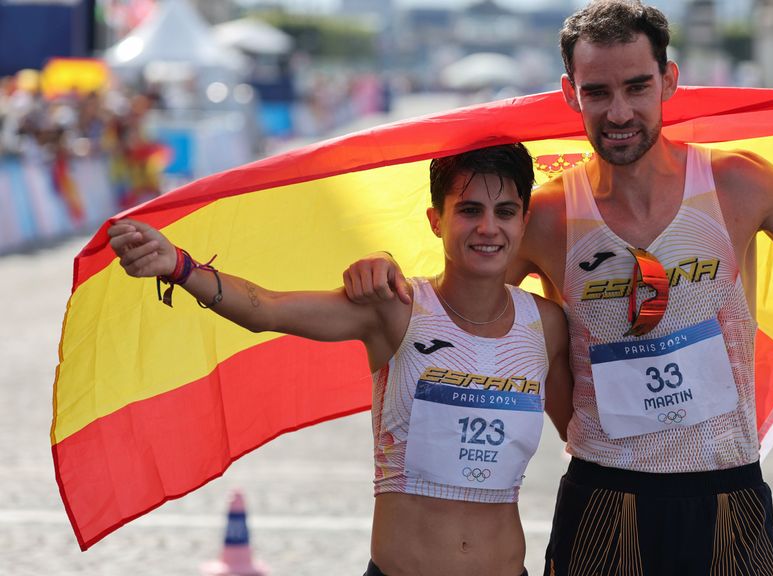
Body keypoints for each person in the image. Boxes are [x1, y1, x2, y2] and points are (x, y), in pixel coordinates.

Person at [342, 2, 773, 573]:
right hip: (605, 500)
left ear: (668, 81)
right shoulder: (550, 217)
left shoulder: (736, 186)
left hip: (727, 495)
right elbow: (450, 305)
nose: (619, 112)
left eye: (637, 86)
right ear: (569, 94)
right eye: (598, 92)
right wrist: (383, 269)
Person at [108, 143, 573, 576]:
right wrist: (181, 267)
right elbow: (265, 309)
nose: (488, 227)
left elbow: (586, 431)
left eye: (505, 212)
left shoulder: (547, 325)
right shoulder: (395, 308)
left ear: (524, 221)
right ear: (436, 220)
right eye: (469, 211)